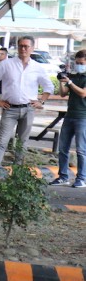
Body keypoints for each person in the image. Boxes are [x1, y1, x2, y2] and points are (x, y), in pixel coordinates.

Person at [0, 35, 54, 182]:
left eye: (26, 46)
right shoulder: (7, 64)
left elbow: (49, 87)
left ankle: (17, 172)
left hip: (28, 109)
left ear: (32, 48)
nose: (23, 49)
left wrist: (41, 100)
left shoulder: (37, 67)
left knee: (22, 143)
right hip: (10, 108)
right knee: (2, 141)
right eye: (21, 46)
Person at [48, 50, 86, 188]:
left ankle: (81, 178)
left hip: (83, 117)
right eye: (77, 63)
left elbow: (82, 93)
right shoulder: (75, 77)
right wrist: (62, 80)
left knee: (81, 150)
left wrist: (69, 82)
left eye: (81, 63)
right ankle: (63, 176)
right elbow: (63, 94)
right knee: (63, 148)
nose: (79, 65)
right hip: (69, 115)